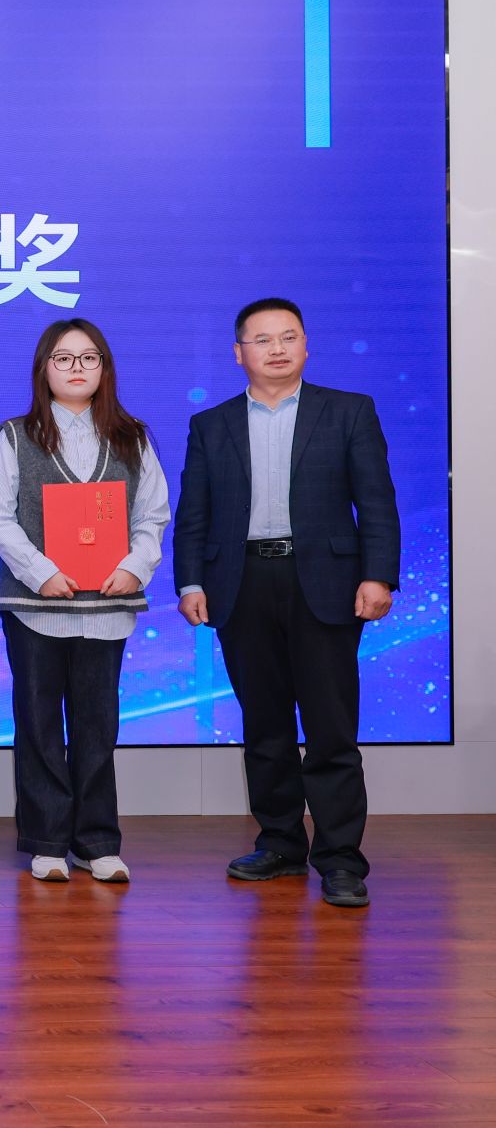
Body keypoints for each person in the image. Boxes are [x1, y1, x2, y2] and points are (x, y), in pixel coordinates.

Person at [174, 298, 399, 909]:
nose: (276, 349)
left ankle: (341, 859)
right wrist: (190, 582)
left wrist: (379, 576)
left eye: (288, 337)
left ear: (305, 345)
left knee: (331, 728)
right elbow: (194, 514)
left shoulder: (349, 411)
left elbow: (376, 502)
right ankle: (279, 843)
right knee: (265, 724)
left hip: (325, 583)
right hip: (241, 583)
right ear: (238, 352)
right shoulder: (211, 424)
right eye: (262, 339)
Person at [0, 320, 169, 884]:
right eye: (63, 358)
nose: (77, 368)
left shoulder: (132, 438)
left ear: (105, 368)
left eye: (89, 358)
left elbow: (153, 514)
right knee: (39, 725)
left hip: (107, 608)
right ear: (44, 369)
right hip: (36, 606)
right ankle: (47, 841)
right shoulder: (15, 436)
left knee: (97, 727)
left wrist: (134, 566)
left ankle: (97, 842)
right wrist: (41, 573)